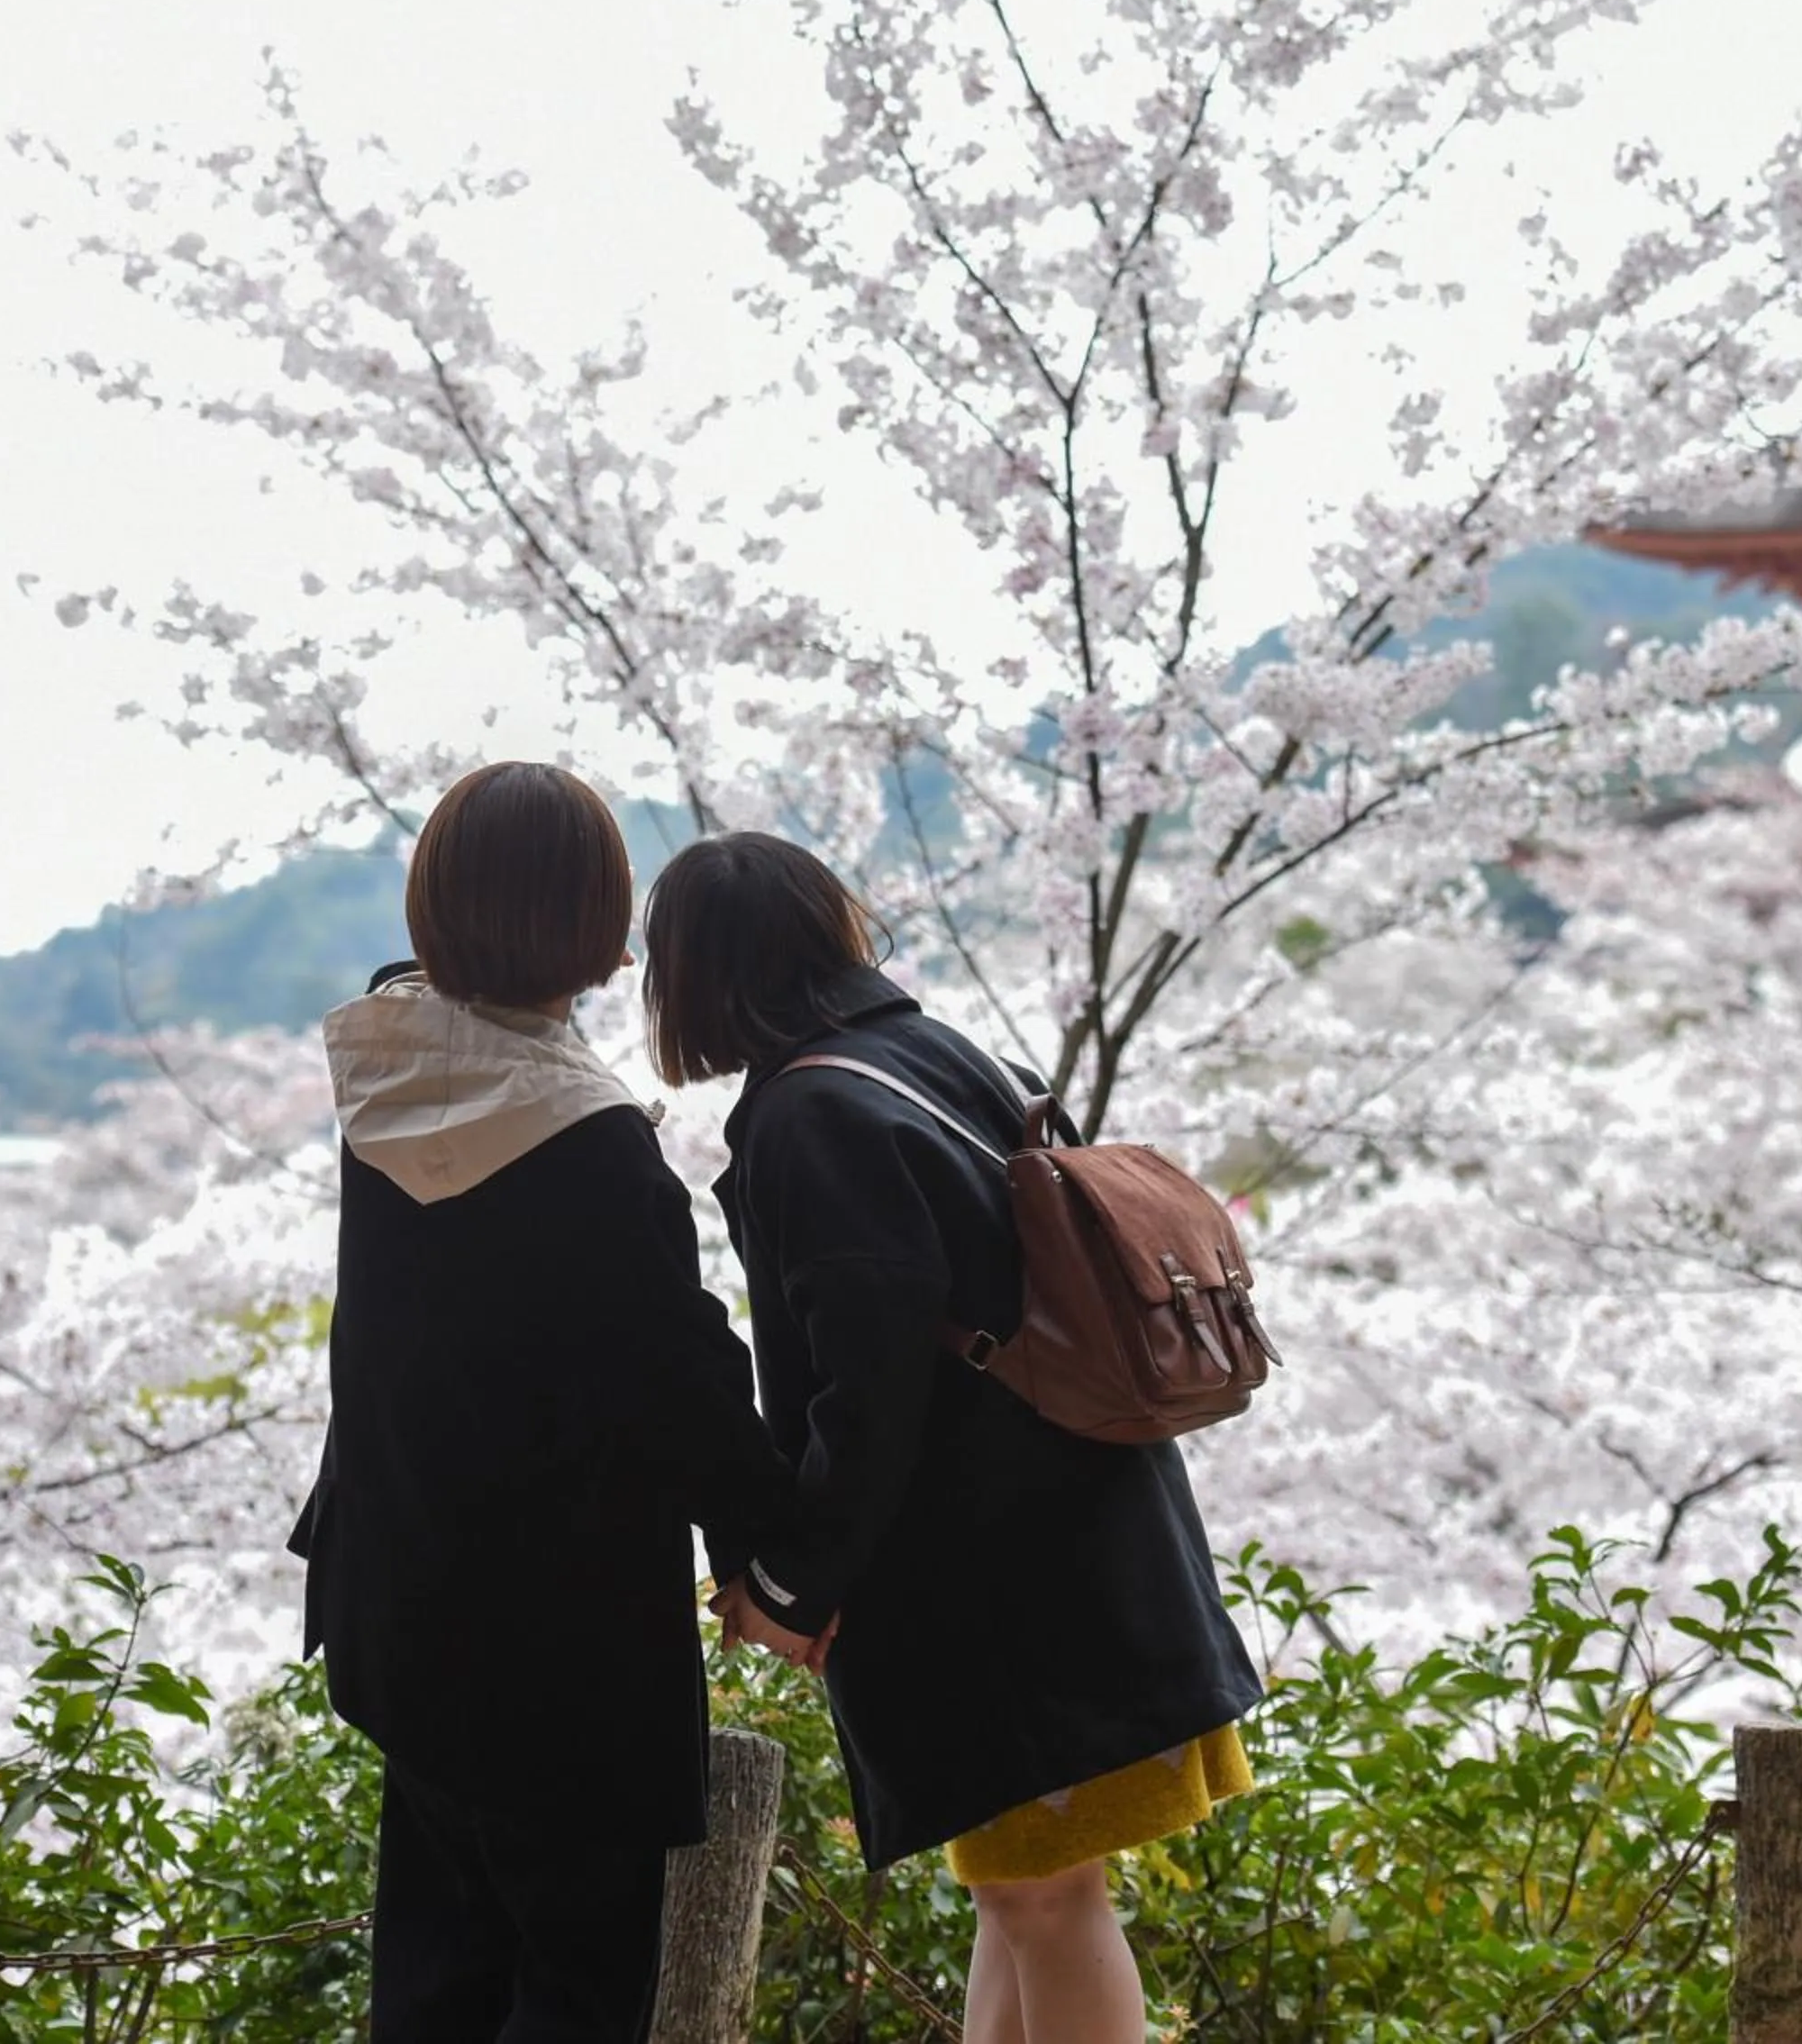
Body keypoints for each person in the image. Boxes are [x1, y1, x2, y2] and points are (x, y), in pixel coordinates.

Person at [641, 831, 1262, 2044]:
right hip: (1094, 1532)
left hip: (1001, 1587)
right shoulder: (940, 1057)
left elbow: (866, 1395)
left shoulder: (812, 1113)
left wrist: (789, 1580)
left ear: (699, 977)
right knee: (1018, 1894)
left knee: (1045, 1897)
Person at [285, 764, 793, 2044]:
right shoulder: (581, 1138)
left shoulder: (388, 1079)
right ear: (595, 926)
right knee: (574, 1986)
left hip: (401, 1606)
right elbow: (682, 1377)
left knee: (435, 1978)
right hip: (556, 1651)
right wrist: (772, 1560)